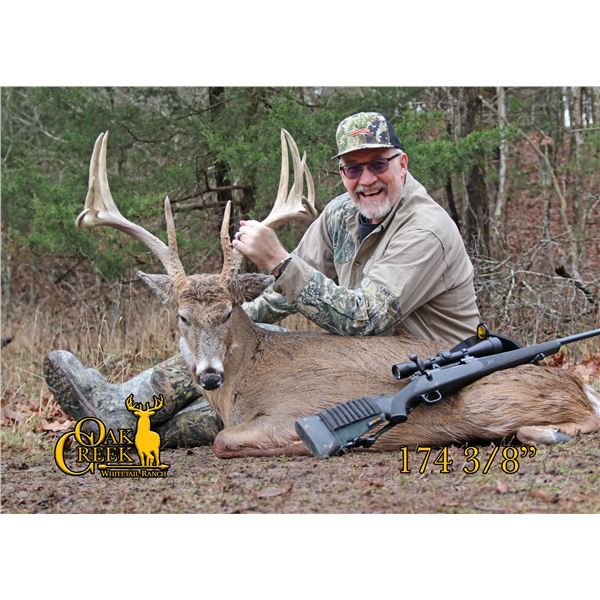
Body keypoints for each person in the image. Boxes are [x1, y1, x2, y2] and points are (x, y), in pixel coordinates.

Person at [44, 112, 480, 447]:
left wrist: (279, 261)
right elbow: (282, 296)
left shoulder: (425, 229)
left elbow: (367, 319)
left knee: (261, 371)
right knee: (234, 357)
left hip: (434, 370)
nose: (366, 180)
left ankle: (120, 410)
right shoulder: (343, 214)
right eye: (353, 169)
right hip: (365, 362)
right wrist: (222, 317)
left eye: (378, 164)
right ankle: (130, 420)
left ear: (402, 164)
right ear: (342, 174)